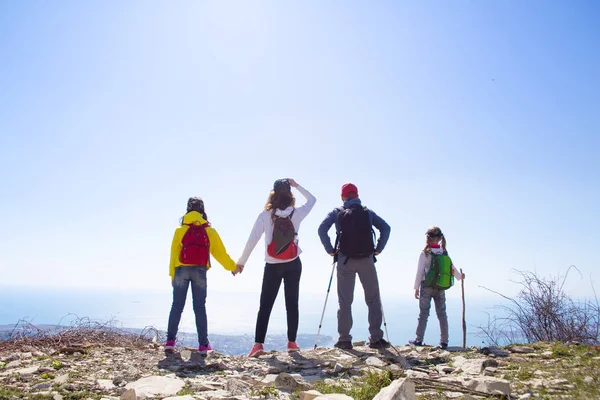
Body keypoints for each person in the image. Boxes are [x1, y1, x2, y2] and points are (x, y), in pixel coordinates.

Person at [237, 178, 316, 357]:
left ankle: (258, 345)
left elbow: (252, 240)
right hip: (293, 264)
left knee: (265, 305)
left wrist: (241, 263)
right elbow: (312, 200)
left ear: (272, 194)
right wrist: (297, 185)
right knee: (292, 303)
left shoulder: (265, 215)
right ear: (290, 194)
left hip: (272, 266)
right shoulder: (296, 213)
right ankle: (292, 342)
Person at [317, 183, 391, 349]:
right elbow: (386, 228)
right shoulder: (368, 212)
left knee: (345, 301)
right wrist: (377, 250)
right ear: (357, 195)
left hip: (345, 260)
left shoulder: (337, 213)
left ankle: (344, 339)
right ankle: (376, 338)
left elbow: (322, 229)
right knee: (373, 299)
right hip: (367, 260)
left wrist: (331, 251)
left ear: (343, 197)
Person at [165, 197, 241, 354]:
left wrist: (172, 274)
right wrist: (232, 267)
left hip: (181, 269)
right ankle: (203, 345)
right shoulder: (209, 230)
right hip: (200, 270)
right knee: (199, 307)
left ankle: (170, 342)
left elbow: (173, 253)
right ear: (202, 210)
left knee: (177, 305)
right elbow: (220, 253)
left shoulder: (180, 230)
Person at [409, 226, 465, 349]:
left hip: (427, 286)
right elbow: (452, 268)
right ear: (440, 239)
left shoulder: (425, 253)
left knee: (424, 313)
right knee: (442, 314)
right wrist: (460, 277)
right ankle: (444, 342)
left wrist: (416, 288)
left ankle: (418, 340)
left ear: (428, 238)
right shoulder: (443, 252)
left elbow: (419, 272)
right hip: (440, 286)